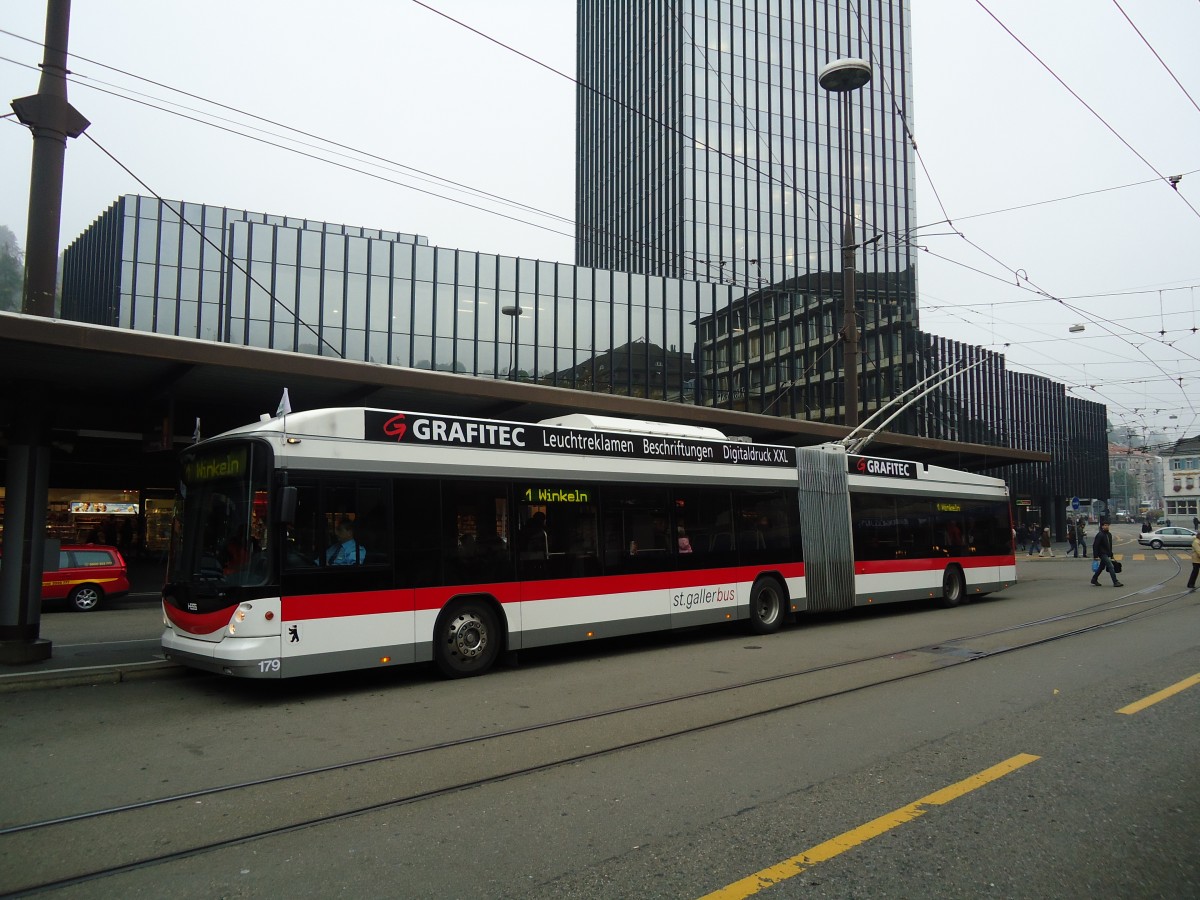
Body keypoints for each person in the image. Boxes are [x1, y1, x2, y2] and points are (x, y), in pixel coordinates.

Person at [1089, 521, 1123, 587]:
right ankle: (1115, 582)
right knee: (1110, 566)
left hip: (1107, 553)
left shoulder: (1109, 534)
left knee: (1101, 567)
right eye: (1105, 525)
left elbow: (1109, 546)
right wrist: (1095, 556)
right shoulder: (1100, 535)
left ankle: (1094, 579)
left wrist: (1111, 554)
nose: (1106, 526)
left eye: (1107, 525)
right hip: (1102, 554)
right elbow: (1095, 545)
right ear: (1102, 526)